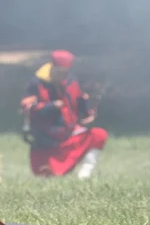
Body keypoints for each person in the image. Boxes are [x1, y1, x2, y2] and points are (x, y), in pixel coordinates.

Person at [20, 50, 108, 179]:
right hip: (46, 140)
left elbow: (78, 100)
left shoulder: (71, 81)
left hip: (68, 134)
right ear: (52, 67)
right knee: (45, 174)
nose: (62, 76)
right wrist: (51, 106)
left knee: (98, 135)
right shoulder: (37, 84)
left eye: (65, 73)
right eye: (59, 72)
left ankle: (85, 174)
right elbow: (27, 107)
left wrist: (88, 111)